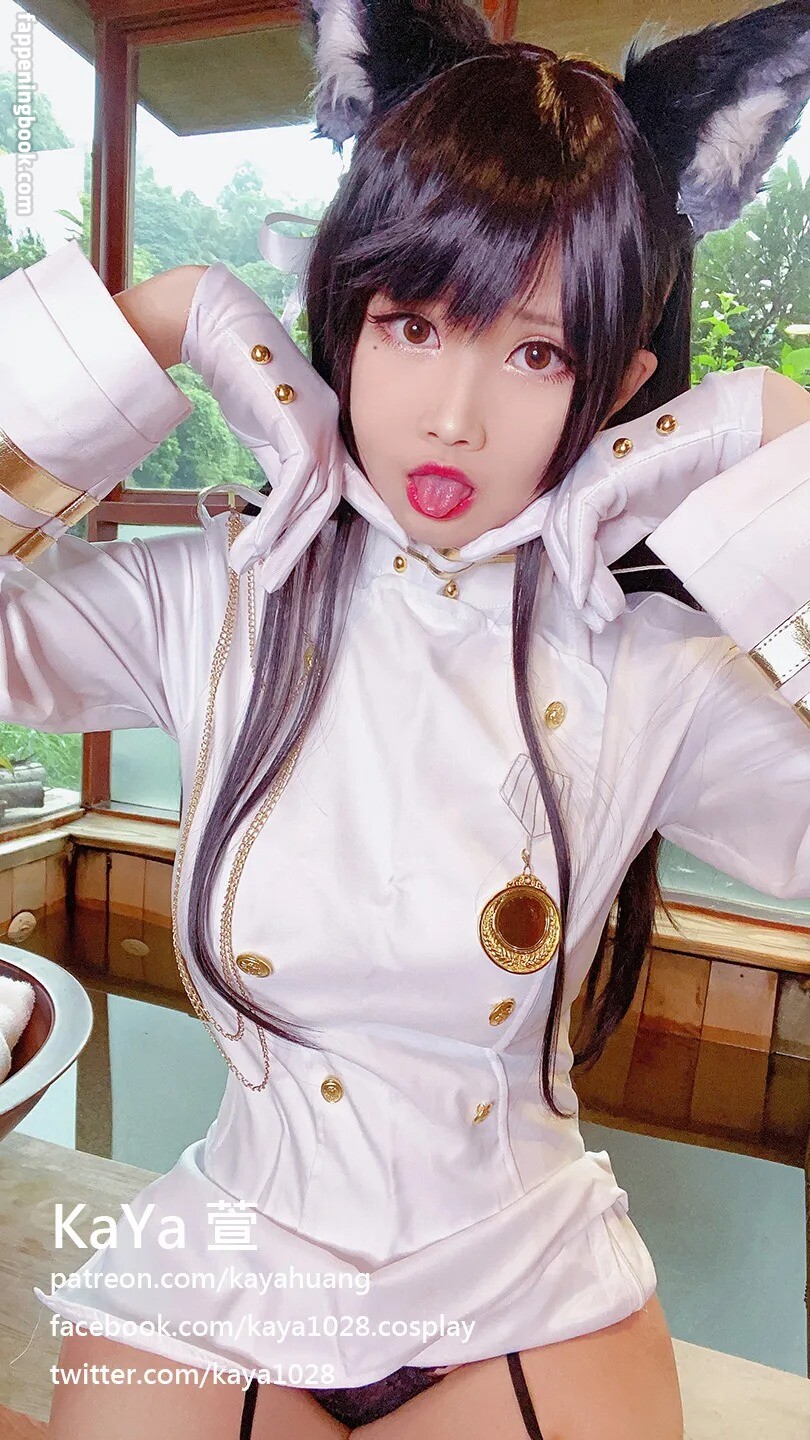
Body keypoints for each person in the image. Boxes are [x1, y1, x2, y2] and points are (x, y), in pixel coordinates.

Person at [2, 1, 809, 1436]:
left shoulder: (652, 672)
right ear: (340, 325)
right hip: (229, 1264)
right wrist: (159, 317)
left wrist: (783, 443)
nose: (452, 415)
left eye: (536, 353)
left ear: (623, 386)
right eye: (413, 325)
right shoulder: (218, 599)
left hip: (529, 1285)